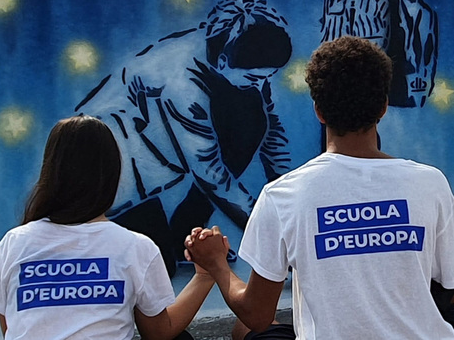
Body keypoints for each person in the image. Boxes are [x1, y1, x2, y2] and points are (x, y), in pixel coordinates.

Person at [184, 36, 454, 340]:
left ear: (319, 111)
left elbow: (257, 316)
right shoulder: (431, 183)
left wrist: (216, 264)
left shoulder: (283, 195)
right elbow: (448, 285)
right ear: (383, 108)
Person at [76, 0, 292, 274]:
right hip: (109, 182)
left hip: (154, 164)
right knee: (157, 267)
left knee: (251, 116)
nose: (261, 84)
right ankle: (175, 241)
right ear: (223, 62)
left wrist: (290, 196)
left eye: (267, 77)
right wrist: (274, 240)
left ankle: (184, 233)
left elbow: (272, 133)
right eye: (255, 78)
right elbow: (210, 172)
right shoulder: (180, 83)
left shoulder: (241, 55)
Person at [0, 115, 215, 340]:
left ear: (50, 171)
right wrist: (207, 273)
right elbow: (160, 332)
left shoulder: (13, 243)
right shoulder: (135, 247)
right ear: (112, 173)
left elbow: (11, 327)